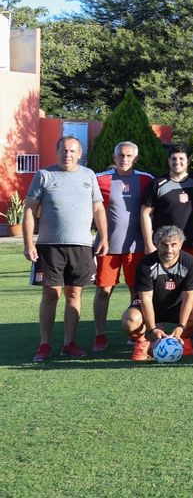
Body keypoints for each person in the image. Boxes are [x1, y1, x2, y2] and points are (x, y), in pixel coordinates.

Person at [24, 136, 108, 361]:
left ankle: (69, 343)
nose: (68, 154)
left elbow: (98, 209)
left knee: (74, 293)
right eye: (64, 150)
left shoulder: (88, 175)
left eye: (72, 151)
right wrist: (28, 243)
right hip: (49, 246)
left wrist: (103, 237)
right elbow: (30, 210)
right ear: (57, 151)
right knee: (51, 293)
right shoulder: (44, 175)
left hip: (81, 245)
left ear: (79, 154)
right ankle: (44, 345)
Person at [93, 141, 156, 351]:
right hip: (107, 248)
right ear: (114, 157)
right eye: (120, 155)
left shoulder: (146, 179)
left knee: (137, 291)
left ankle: (136, 333)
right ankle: (100, 335)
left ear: (135, 158)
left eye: (129, 156)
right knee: (103, 291)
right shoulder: (100, 179)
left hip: (137, 247)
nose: (124, 159)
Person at [121, 225, 193, 361]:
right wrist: (152, 330)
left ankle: (183, 338)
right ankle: (143, 342)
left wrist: (181, 327)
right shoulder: (145, 264)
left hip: (177, 306)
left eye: (173, 245)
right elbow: (146, 300)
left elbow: (188, 297)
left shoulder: (190, 263)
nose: (169, 250)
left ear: (180, 244)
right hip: (151, 306)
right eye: (164, 245)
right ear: (156, 244)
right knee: (130, 320)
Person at [141, 143, 193, 260]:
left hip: (191, 245)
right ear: (168, 161)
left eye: (181, 158)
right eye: (174, 158)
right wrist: (148, 243)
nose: (177, 162)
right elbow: (145, 214)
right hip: (164, 247)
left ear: (188, 161)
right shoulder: (157, 184)